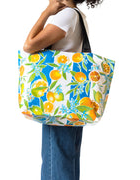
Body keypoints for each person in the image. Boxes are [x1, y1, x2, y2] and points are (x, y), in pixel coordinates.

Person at [23, 0, 103, 179]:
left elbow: (29, 45)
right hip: (73, 102)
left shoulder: (66, 15)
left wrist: (46, 12)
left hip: (58, 103)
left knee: (56, 164)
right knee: (66, 163)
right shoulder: (77, 15)